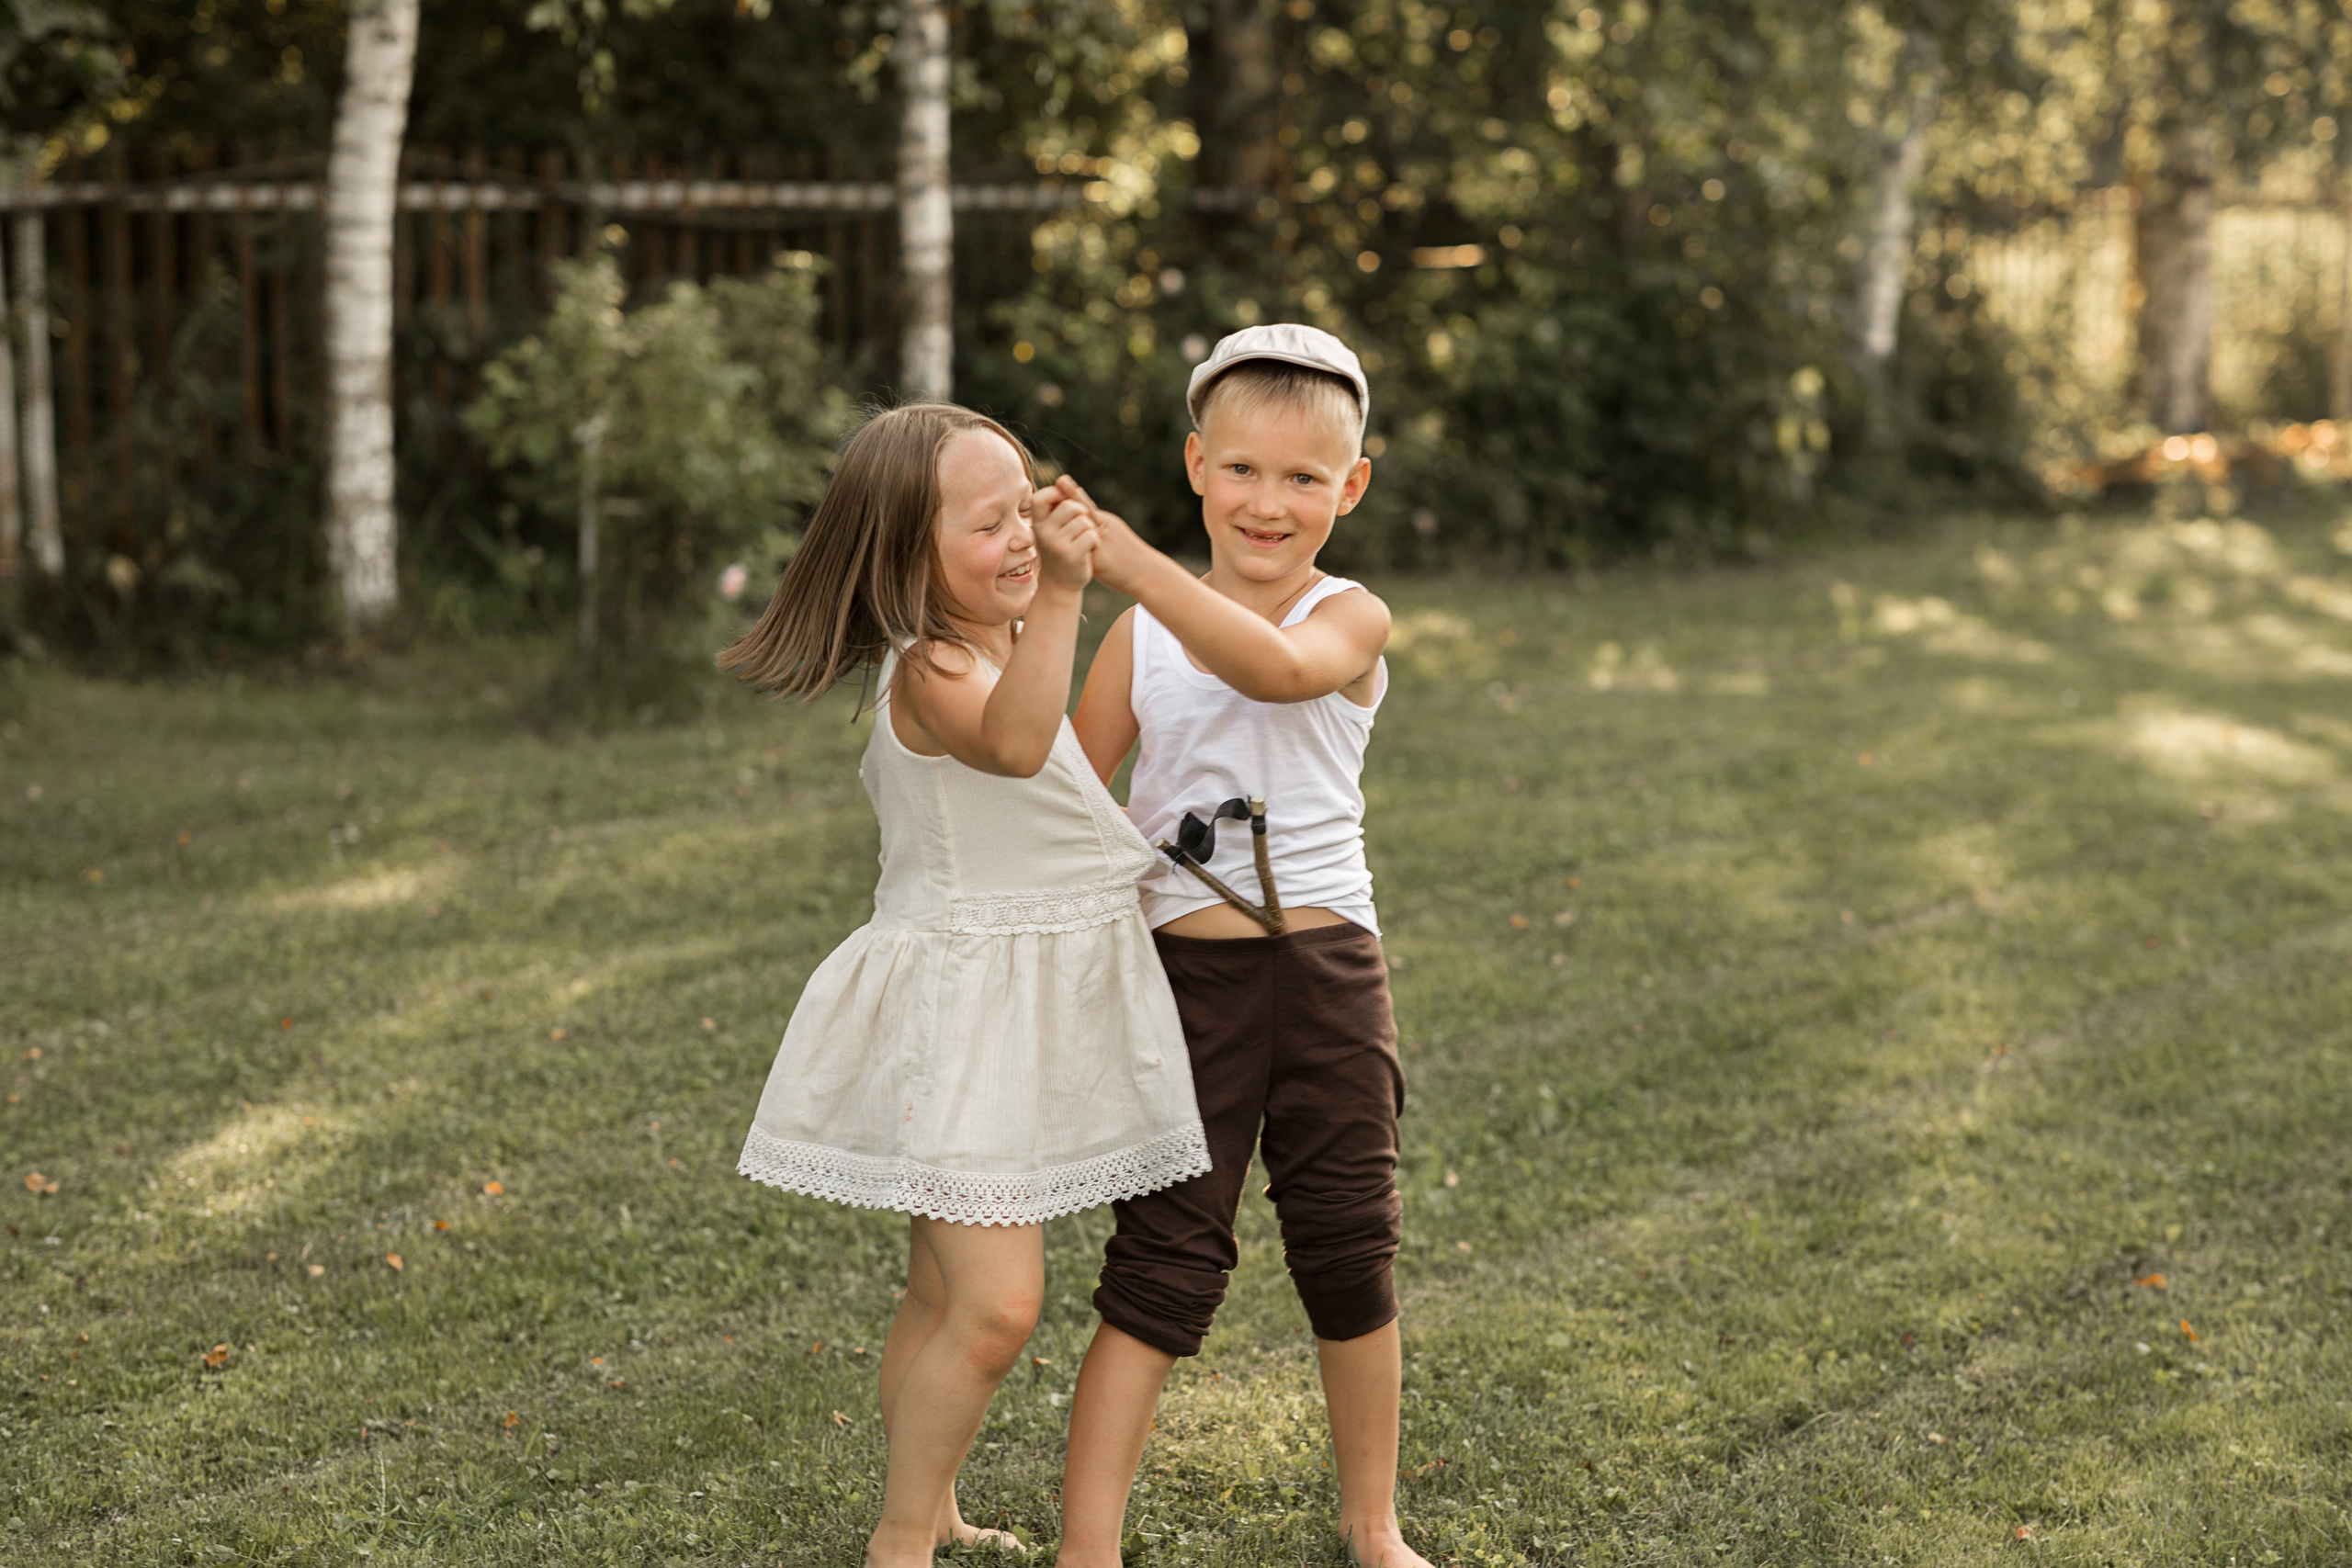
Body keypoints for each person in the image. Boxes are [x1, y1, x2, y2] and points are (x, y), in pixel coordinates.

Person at [716, 402, 1210, 1567]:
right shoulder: (936, 667)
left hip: (1006, 1012)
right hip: (967, 1019)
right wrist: (1071, 600)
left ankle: (927, 1509)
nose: (1025, 541)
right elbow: (1019, 746)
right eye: (990, 525)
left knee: (940, 1302)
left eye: (1027, 505)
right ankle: (900, 1545)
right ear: (906, 562)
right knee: (994, 1311)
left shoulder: (983, 642)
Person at [1053, 324, 1433, 1568]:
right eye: (1243, 471)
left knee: (1348, 1240)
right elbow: (1071, 797)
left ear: (1352, 485)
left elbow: (1274, 672)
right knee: (1163, 1258)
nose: (1269, 504)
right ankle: (1088, 1545)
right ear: (1196, 465)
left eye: (1304, 478)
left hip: (1328, 979)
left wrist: (1139, 568)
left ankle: (1372, 1521)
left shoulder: (1349, 613)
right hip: (1187, 984)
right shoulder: (1139, 637)